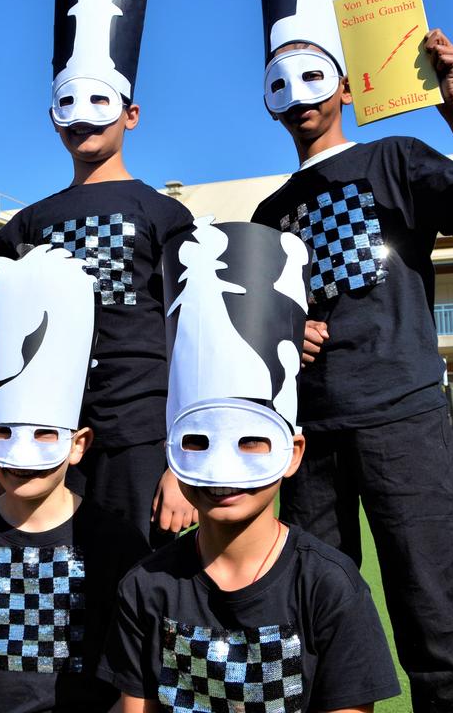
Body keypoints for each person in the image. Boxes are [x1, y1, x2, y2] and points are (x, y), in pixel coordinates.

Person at [252, 0, 453, 709]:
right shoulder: (268, 215)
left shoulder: (397, 159)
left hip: (403, 415)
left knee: (435, 614)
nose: (300, 95)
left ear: (346, 84)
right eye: (282, 77)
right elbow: (259, 337)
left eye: (314, 74)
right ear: (269, 96)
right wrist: (285, 333)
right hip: (310, 435)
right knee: (318, 618)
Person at [99, 219, 400, 712]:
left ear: (292, 453)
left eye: (252, 442)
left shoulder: (327, 585)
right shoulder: (147, 586)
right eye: (197, 441)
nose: (223, 472)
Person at [0, 0, 195, 546]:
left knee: (141, 583)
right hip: (49, 432)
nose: (84, 121)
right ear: (53, 116)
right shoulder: (25, 226)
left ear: (131, 114)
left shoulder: (165, 215)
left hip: (140, 432)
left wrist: (179, 463)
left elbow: (191, 338)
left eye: (101, 104)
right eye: (70, 105)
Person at [0, 244, 150, 713]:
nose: (23, 456)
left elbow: (135, 669)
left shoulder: (116, 542)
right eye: (6, 434)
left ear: (79, 444)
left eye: (45, 436)